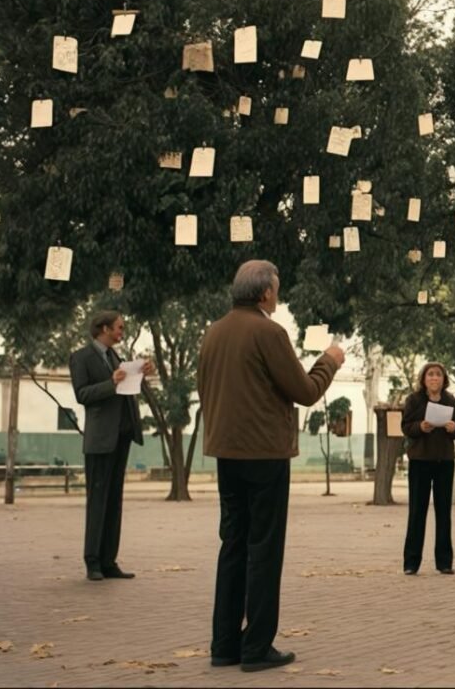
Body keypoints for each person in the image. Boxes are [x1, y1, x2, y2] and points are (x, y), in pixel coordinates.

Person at [197, 260, 345, 673]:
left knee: (233, 545)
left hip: (226, 453)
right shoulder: (268, 331)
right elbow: (305, 391)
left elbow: (204, 388)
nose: (277, 296)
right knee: (264, 548)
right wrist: (329, 360)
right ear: (264, 293)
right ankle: (257, 646)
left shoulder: (214, 331)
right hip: (265, 455)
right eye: (276, 290)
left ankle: (224, 643)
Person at [68, 310, 154, 582]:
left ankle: (108, 560)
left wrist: (140, 372)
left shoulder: (116, 357)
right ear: (104, 328)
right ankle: (92, 560)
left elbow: (126, 388)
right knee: (98, 500)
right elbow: (83, 395)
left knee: (114, 500)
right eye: (119, 327)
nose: (122, 332)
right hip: (99, 441)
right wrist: (110, 383)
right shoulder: (81, 358)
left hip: (121, 438)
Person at [400, 362, 455, 576]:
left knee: (443, 512)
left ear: (443, 379)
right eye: (430, 375)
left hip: (444, 462)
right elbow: (406, 426)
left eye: (438, 375)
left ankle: (444, 562)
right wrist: (420, 427)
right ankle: (411, 563)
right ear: (424, 379)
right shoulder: (414, 400)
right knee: (417, 512)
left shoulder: (451, 401)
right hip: (420, 461)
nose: (434, 378)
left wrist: (454, 427)